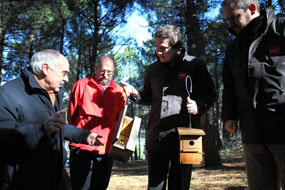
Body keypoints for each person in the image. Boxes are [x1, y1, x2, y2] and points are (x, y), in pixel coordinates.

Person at [121, 25, 216, 190]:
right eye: (156, 47)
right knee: (155, 187)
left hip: (187, 138)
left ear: (177, 47)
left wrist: (199, 105)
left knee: (179, 186)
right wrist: (134, 93)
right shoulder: (152, 69)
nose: (158, 51)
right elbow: (148, 97)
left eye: (163, 48)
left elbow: (211, 94)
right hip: (156, 139)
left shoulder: (195, 65)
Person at [0, 49, 100, 190]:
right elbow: (4, 138)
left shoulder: (55, 93)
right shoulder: (8, 93)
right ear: (45, 68)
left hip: (57, 177)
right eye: (63, 73)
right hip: (23, 182)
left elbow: (57, 126)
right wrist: (41, 129)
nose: (66, 79)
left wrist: (84, 135)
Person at [222, 0, 285, 189]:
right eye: (227, 20)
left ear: (252, 8)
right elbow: (229, 85)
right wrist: (229, 116)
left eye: (234, 18)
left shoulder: (281, 29)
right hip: (252, 133)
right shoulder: (233, 48)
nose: (230, 24)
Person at [67, 55, 126, 190]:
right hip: (81, 147)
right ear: (96, 68)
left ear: (113, 71)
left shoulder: (119, 91)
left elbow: (118, 121)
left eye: (109, 72)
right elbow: (71, 115)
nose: (105, 75)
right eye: (102, 71)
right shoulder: (81, 85)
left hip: (105, 150)